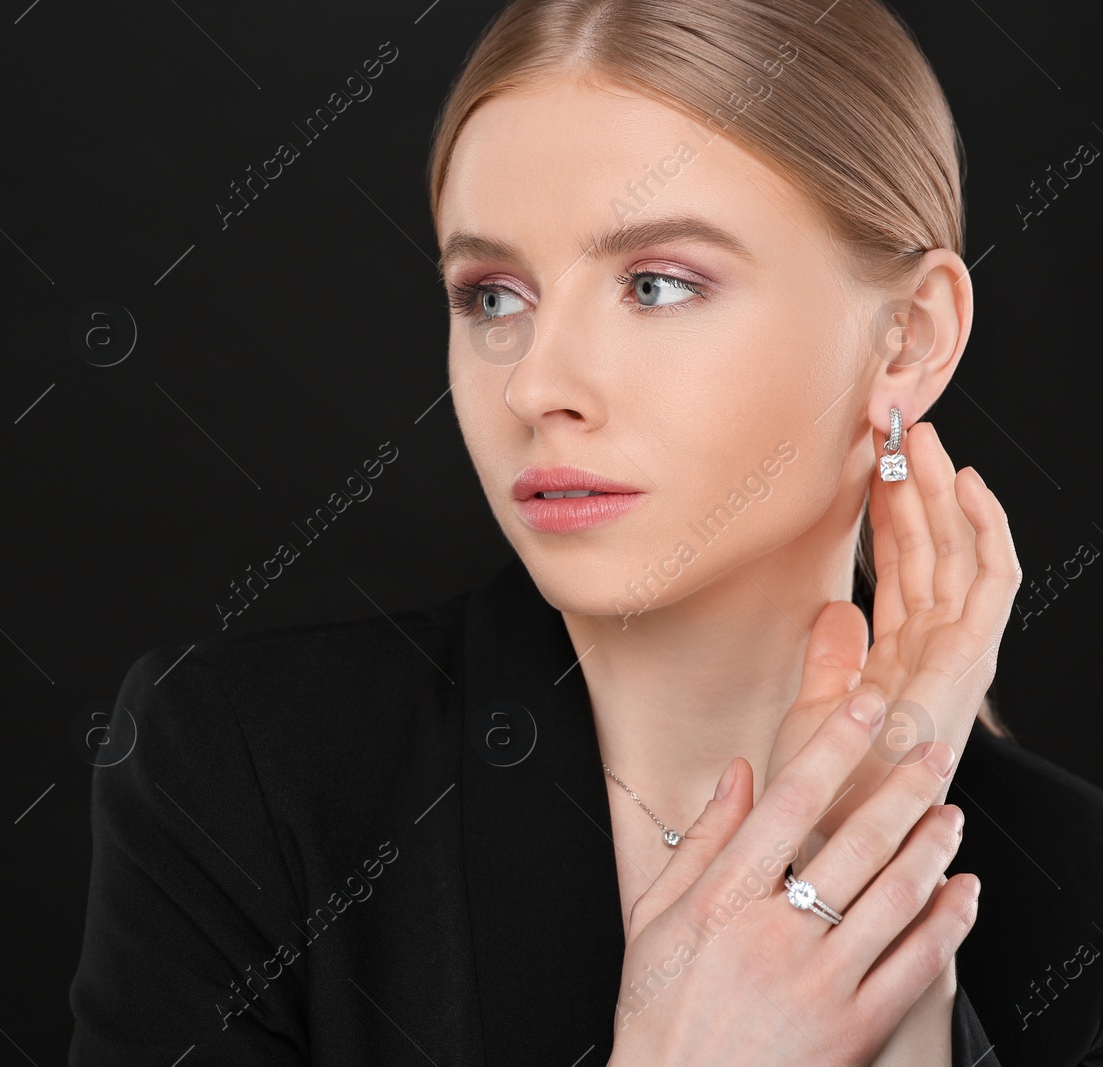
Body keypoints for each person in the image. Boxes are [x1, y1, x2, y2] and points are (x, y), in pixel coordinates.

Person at [68, 1, 1103, 1063]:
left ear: (906, 341)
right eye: (492, 296)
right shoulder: (245, 769)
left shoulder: (1070, 883)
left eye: (655, 284)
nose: (537, 381)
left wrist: (906, 1017)